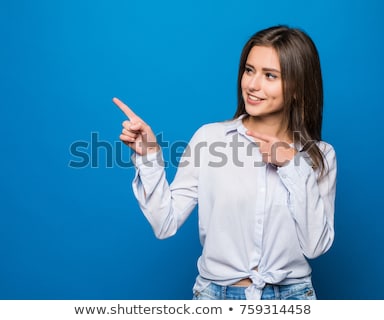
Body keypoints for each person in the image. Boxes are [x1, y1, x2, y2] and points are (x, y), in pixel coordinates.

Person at [113, 25, 337, 300]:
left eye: (270, 76)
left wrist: (292, 166)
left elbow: (315, 246)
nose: (253, 85)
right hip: (215, 296)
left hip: (293, 298)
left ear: (296, 89)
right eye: (249, 70)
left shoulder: (320, 156)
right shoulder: (209, 139)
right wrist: (148, 157)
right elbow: (165, 224)